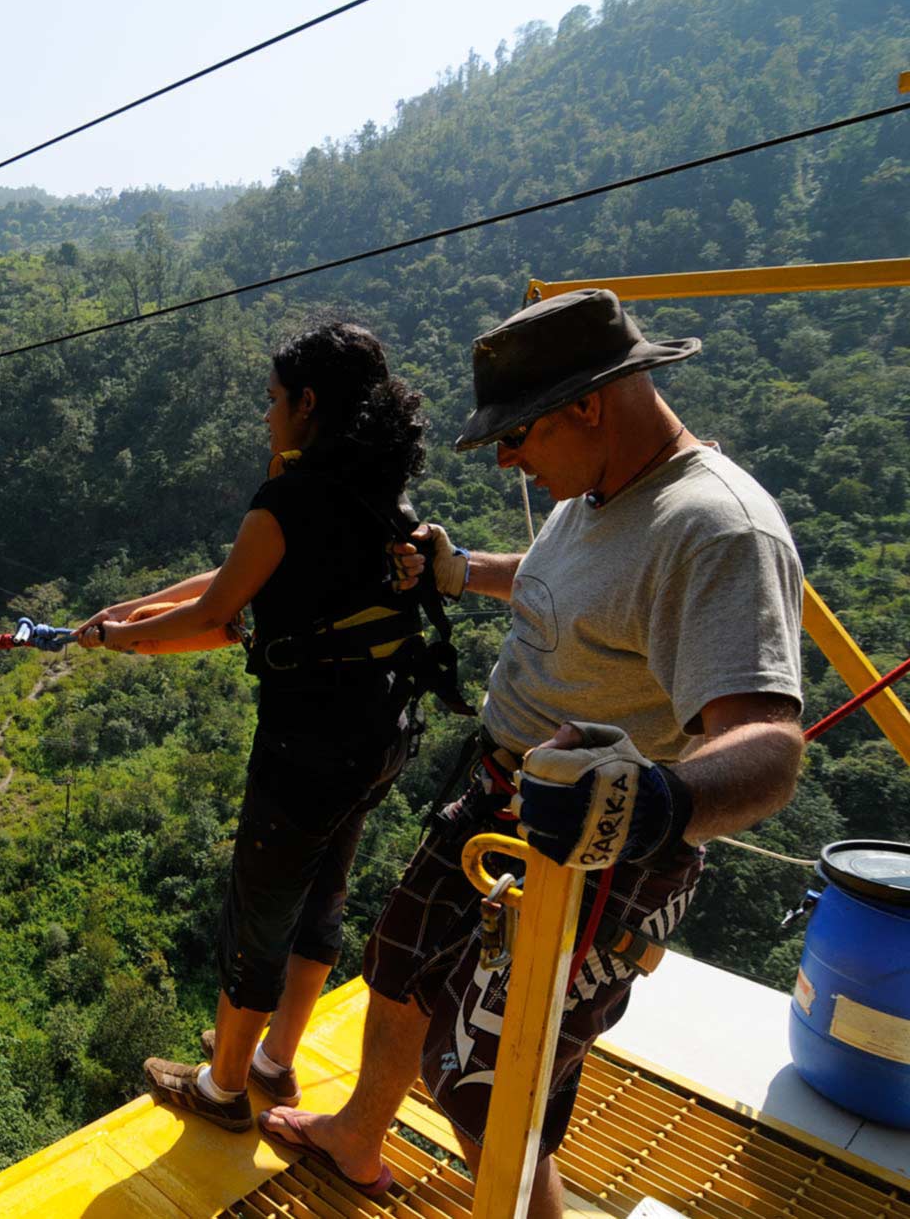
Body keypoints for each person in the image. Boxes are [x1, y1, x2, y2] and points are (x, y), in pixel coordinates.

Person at [260, 288, 806, 1211]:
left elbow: (769, 747)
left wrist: (651, 803)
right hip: (502, 791)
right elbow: (564, 587)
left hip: (599, 846)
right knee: (398, 962)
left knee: (488, 1079)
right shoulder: (598, 486)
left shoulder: (714, 528)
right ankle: (359, 1132)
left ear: (588, 404)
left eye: (517, 434)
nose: (507, 456)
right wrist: (462, 569)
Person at [76, 321, 440, 1132]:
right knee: (325, 892)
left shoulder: (290, 497)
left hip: (308, 743)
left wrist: (117, 639)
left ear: (309, 404)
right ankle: (277, 1060)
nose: (266, 416)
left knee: (260, 912)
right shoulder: (377, 493)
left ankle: (223, 1087)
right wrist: (133, 609)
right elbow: (241, 570)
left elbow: (216, 614)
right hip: (380, 732)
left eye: (274, 401)